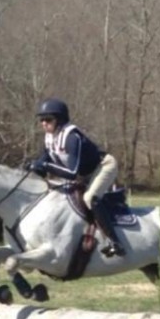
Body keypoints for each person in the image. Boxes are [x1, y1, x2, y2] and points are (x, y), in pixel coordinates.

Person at [26, 97, 125, 257]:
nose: (44, 123)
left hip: (104, 166)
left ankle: (114, 242)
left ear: (60, 120)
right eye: (41, 120)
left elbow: (72, 173)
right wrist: (32, 168)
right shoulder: (49, 138)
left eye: (48, 119)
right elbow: (43, 165)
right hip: (85, 173)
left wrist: (44, 166)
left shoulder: (72, 137)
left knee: (89, 198)